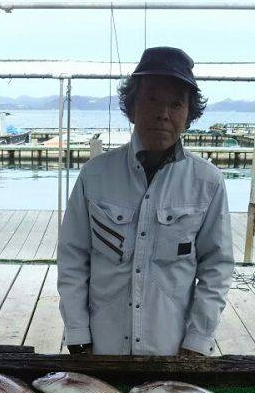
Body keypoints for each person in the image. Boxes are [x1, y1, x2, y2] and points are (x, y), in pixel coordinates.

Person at [57, 46, 234, 357]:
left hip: (171, 350)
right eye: (152, 98)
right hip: (101, 347)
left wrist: (197, 339)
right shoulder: (94, 175)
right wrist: (77, 332)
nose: (163, 113)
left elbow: (216, 267)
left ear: (189, 114)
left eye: (176, 104)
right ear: (132, 104)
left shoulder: (208, 183)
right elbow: (73, 259)